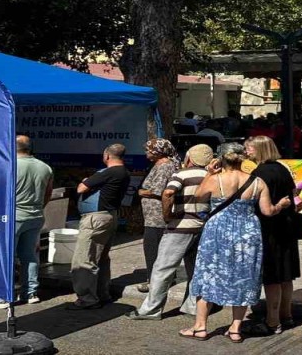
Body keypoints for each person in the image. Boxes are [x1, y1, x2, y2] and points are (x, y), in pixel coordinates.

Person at [181, 143, 291, 343]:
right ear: (242, 159)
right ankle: (235, 329)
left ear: (221, 158)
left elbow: (197, 196)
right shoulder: (257, 182)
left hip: (217, 232)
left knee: (208, 275)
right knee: (243, 278)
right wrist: (281, 205)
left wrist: (209, 173)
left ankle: (200, 327)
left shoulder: (215, 179)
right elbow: (268, 211)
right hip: (247, 234)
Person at [127, 143, 213, 321]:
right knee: (195, 269)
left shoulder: (182, 174)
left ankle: (151, 309)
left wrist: (168, 215)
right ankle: (191, 306)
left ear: (189, 158)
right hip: (202, 226)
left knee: (163, 268)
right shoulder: (211, 175)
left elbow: (167, 193)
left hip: (180, 226)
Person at [0, 134, 53, 308]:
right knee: (29, 256)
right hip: (35, 215)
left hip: (12, 216)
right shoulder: (45, 168)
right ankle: (30, 293)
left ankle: (0, 297)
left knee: (4, 256)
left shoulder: (7, 166)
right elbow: (48, 194)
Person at [245, 135, 301, 336]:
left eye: (250, 148)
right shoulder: (282, 169)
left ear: (260, 150)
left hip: (268, 229)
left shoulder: (259, 173)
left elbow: (259, 205)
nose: (247, 151)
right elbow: (294, 192)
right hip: (286, 228)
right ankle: (287, 316)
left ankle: (272, 321)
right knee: (286, 275)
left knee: (272, 277)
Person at [67, 143, 132, 310]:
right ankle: (102, 293)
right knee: (102, 258)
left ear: (107, 156)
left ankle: (87, 299)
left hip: (95, 219)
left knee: (84, 259)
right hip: (110, 215)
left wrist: (86, 181)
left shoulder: (108, 172)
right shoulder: (124, 172)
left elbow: (82, 188)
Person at [135, 138, 180, 295]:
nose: (146, 153)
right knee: (155, 248)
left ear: (157, 152)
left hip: (156, 217)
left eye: (148, 150)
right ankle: (162, 278)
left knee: (153, 248)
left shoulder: (164, 166)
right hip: (152, 215)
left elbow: (157, 190)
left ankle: (154, 281)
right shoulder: (161, 165)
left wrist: (141, 192)